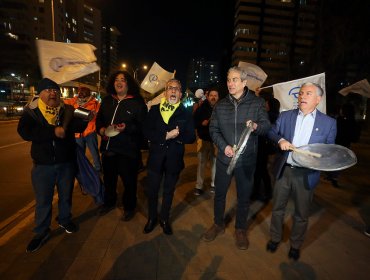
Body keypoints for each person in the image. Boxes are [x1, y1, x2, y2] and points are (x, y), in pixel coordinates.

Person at [201, 66, 271, 250]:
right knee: (220, 195)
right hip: (225, 160)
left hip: (246, 161)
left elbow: (266, 127)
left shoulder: (256, 103)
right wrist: (223, 147)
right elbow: (213, 129)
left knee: (244, 197)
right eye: (228, 79)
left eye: (234, 80)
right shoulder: (220, 105)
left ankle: (240, 229)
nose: (230, 83)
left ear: (244, 82)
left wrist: (256, 126)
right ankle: (218, 224)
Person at [266, 82, 337, 261]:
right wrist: (280, 139)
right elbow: (271, 132)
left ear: (318, 99)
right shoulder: (286, 116)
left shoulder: (329, 123)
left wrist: (321, 159)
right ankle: (275, 238)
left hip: (307, 174)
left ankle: (295, 245)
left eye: (308, 93)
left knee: (301, 214)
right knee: (277, 208)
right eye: (301, 93)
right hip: (285, 170)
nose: (303, 96)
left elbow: (329, 150)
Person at [17, 78, 89, 252]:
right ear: (40, 94)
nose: (52, 93)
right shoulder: (32, 112)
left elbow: (77, 127)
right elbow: (25, 132)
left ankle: (65, 220)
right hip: (43, 166)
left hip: (66, 163)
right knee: (43, 201)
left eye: (55, 90)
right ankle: (41, 232)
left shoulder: (66, 110)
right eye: (48, 90)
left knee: (65, 196)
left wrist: (86, 119)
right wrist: (52, 132)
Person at [142, 78, 196, 235]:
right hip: (155, 159)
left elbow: (191, 137)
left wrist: (177, 136)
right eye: (170, 88)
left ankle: (164, 218)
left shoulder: (186, 113)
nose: (173, 91)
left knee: (168, 191)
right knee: (152, 190)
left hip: (174, 160)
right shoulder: (154, 109)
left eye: (177, 89)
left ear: (180, 94)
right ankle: (152, 218)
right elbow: (146, 131)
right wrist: (165, 136)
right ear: (165, 92)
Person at [95, 70, 147, 220]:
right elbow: (99, 120)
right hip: (108, 149)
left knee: (129, 182)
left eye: (122, 80)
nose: (119, 82)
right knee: (109, 180)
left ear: (128, 83)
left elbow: (143, 126)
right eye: (116, 79)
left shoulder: (137, 102)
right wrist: (101, 129)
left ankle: (129, 207)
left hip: (128, 150)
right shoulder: (106, 101)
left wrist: (127, 128)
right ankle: (109, 203)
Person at [64, 87, 101, 172]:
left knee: (94, 152)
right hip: (78, 133)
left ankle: (98, 169)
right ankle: (81, 169)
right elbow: (64, 104)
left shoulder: (95, 103)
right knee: (79, 154)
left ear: (88, 93)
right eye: (80, 91)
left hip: (90, 132)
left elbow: (97, 116)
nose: (81, 93)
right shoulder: (74, 101)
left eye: (83, 92)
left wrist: (92, 115)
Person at [252, 95, 280, 202]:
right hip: (268, 147)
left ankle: (259, 192)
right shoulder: (277, 115)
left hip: (263, 147)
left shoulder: (269, 116)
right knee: (262, 170)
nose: (265, 105)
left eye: (267, 103)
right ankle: (266, 191)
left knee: (260, 170)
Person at [193, 88, 219, 195]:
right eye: (211, 95)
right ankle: (199, 186)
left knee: (215, 163)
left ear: (218, 97)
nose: (213, 97)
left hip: (216, 141)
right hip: (203, 139)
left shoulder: (221, 109)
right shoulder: (201, 109)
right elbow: (194, 122)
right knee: (201, 163)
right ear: (208, 97)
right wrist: (201, 123)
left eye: (215, 95)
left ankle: (214, 184)